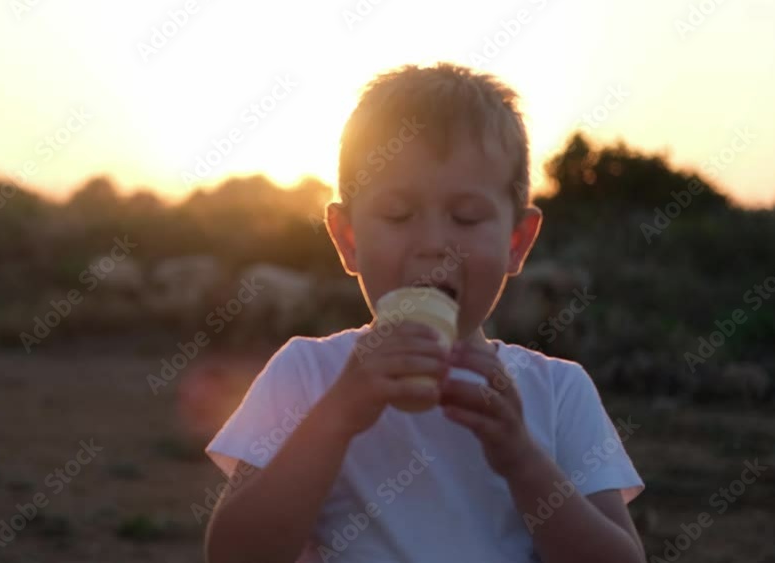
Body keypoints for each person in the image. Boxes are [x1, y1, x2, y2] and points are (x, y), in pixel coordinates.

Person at [203, 62, 645, 563]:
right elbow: (234, 555)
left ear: (516, 243)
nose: (434, 244)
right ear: (347, 239)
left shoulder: (558, 393)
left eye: (467, 217)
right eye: (397, 215)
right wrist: (337, 417)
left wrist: (522, 459)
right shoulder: (307, 374)